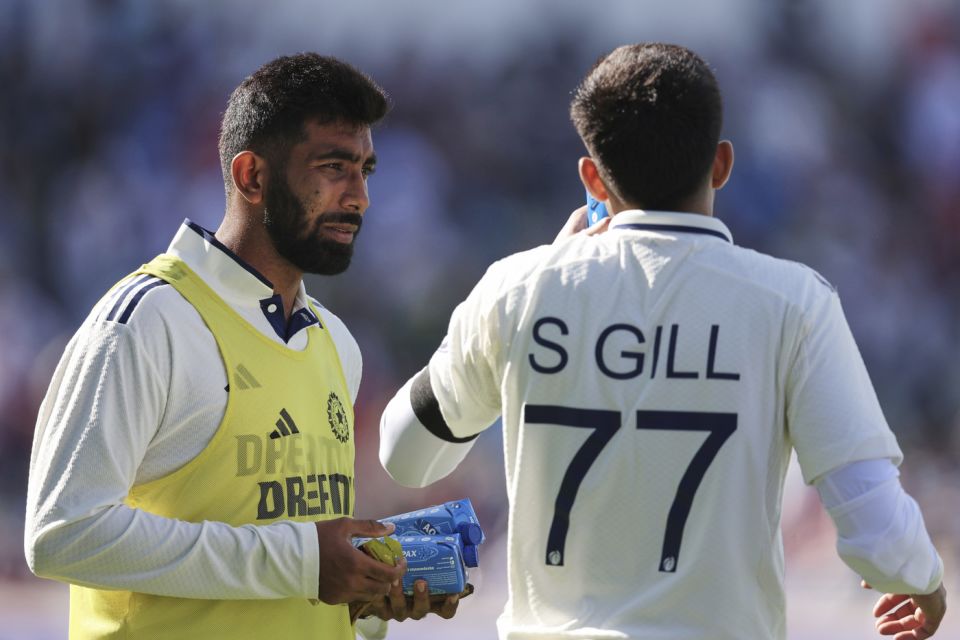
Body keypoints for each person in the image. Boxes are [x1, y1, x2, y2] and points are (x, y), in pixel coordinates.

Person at [378, 43, 947, 639]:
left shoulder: (517, 287)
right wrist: (921, 578)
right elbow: (873, 519)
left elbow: (405, 455)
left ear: (591, 176)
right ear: (722, 164)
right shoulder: (793, 302)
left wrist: (539, 280)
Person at [25, 53, 458, 640]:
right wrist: (303, 562)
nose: (359, 197)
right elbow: (60, 533)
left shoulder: (337, 343)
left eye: (365, 170)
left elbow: (300, 568)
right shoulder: (147, 322)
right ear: (252, 176)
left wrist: (367, 596)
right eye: (334, 167)